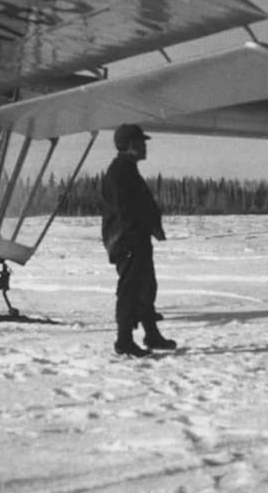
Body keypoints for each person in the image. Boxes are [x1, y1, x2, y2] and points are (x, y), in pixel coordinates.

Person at [101, 123, 177, 358]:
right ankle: (123, 341)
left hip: (135, 238)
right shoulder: (120, 171)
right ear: (130, 145)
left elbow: (138, 207)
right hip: (127, 240)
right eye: (141, 142)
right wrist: (147, 226)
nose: (145, 146)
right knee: (130, 290)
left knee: (146, 288)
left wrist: (153, 227)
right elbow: (127, 210)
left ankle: (151, 334)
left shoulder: (127, 169)